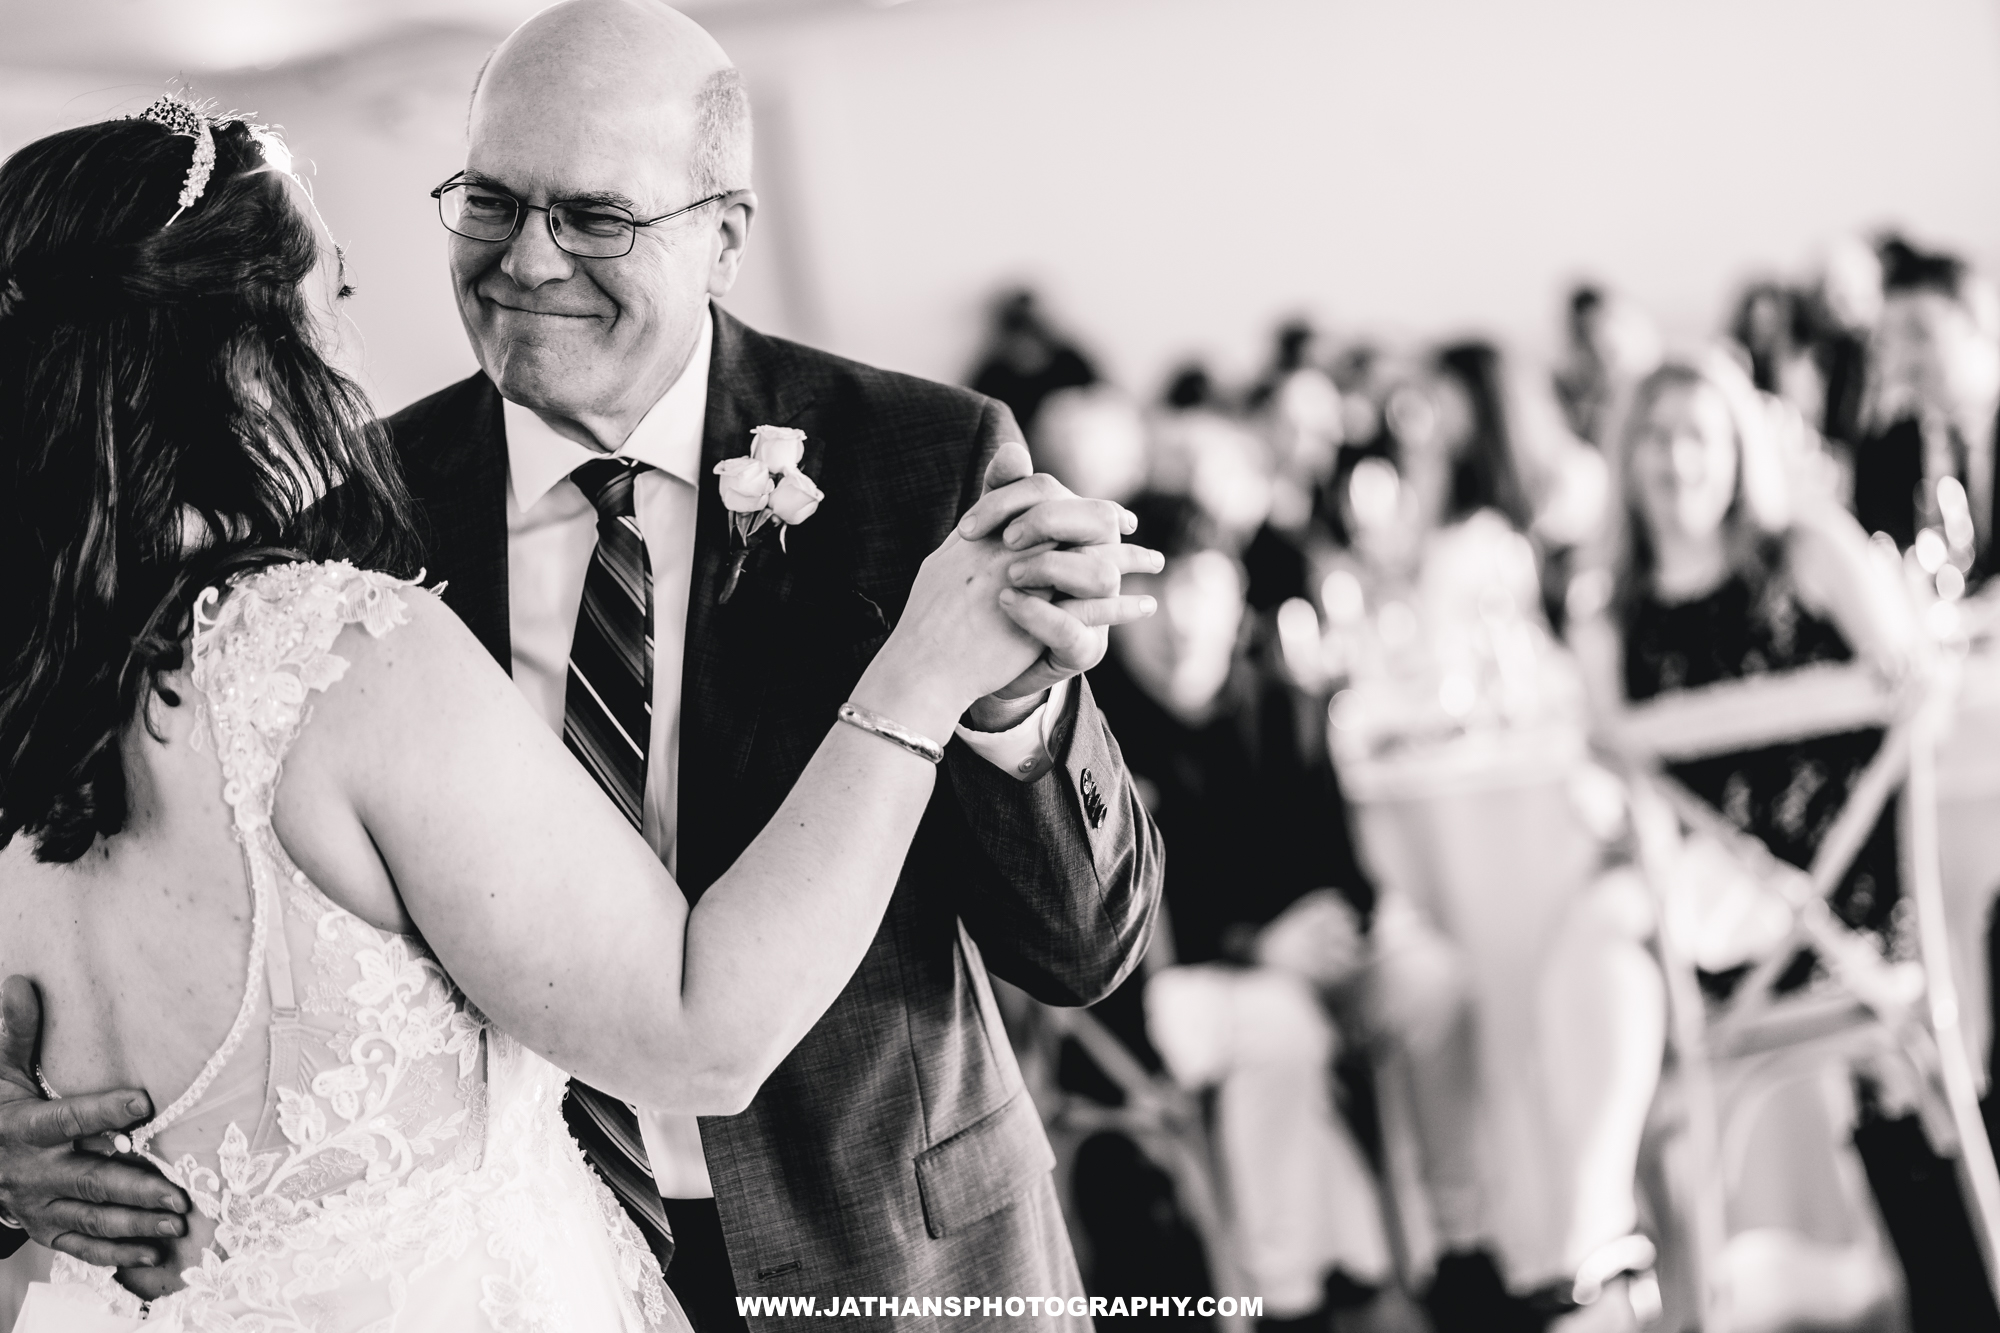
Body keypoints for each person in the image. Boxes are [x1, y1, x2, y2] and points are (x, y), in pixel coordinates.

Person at [0, 4, 1166, 1329]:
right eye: (487, 203)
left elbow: (1082, 944)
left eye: (594, 217)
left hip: (890, 1254)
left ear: (724, 232)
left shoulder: (921, 460)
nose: (525, 260)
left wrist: (1006, 703)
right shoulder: (345, 520)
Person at [1569, 353, 1995, 1333]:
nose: (1677, 461)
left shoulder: (1804, 552)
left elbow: (1914, 697)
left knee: (1629, 985)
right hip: (1739, 947)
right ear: (1626, 461)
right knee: (1636, 1024)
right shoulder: (1611, 619)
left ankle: (1587, 1274)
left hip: (1837, 917)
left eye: (1698, 434)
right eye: (1655, 438)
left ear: (1736, 448)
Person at [1853, 240, 2000, 585]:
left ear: (1981, 324)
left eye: (1919, 334)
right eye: (1890, 339)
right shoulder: (1887, 445)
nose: (1903, 358)